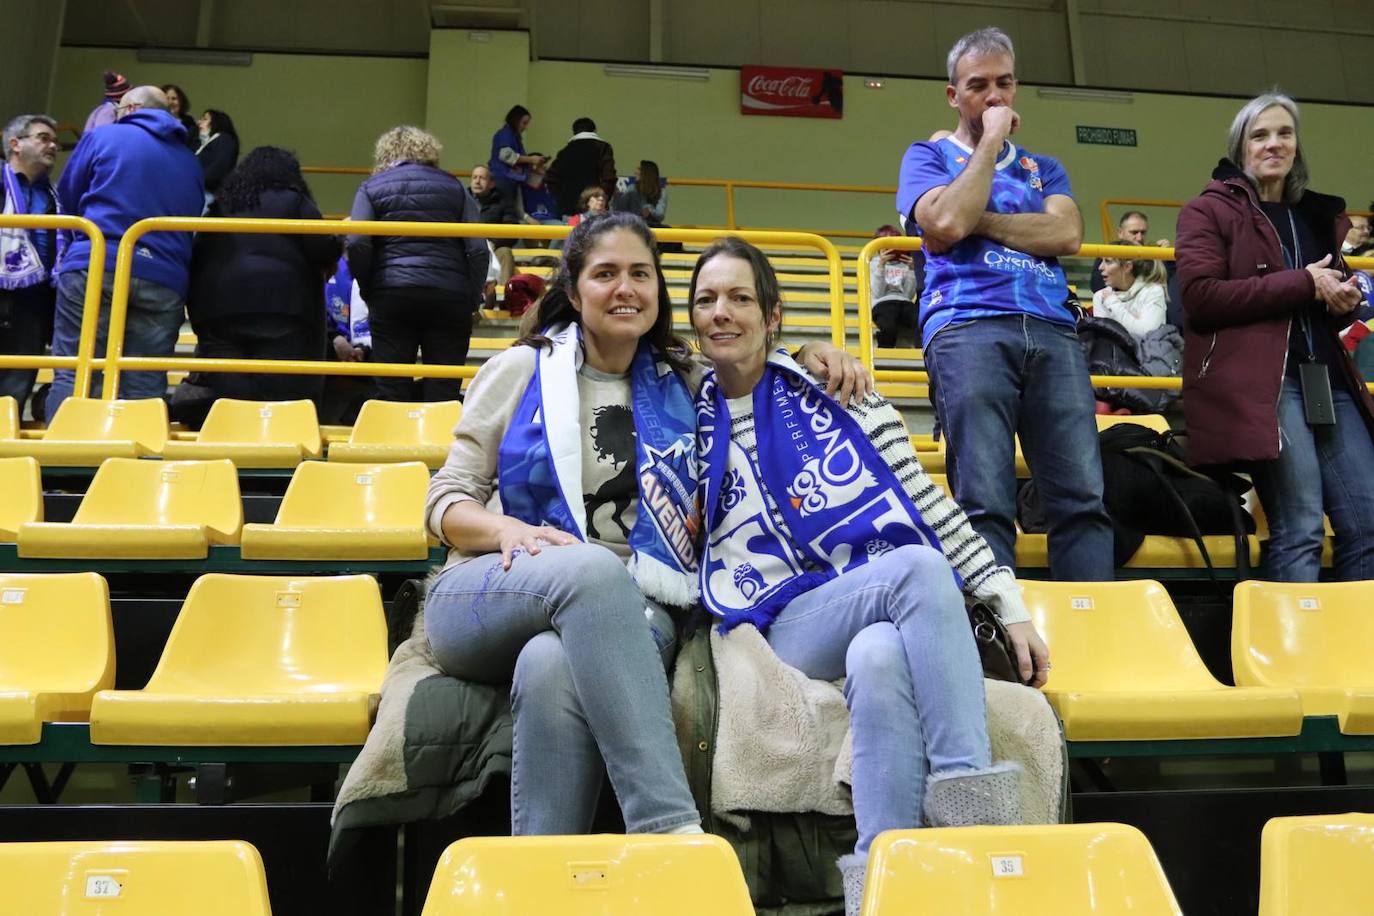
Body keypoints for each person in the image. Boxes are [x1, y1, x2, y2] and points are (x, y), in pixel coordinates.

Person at [422, 211, 864, 842]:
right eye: (605, 274)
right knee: (594, 568)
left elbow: (749, 363)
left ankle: (539, 881)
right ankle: (668, 830)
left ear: (658, 291)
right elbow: (444, 503)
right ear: (574, 293)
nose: (625, 288)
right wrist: (503, 532)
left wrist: (811, 353)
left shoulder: (682, 381)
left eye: (640, 273)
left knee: (550, 665)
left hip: (637, 606)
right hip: (492, 590)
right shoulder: (522, 370)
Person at [689, 237, 1047, 916]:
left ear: (772, 314)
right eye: (706, 300)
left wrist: (1007, 599)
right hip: (781, 619)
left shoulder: (839, 393)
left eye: (739, 297)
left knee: (878, 656)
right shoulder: (684, 412)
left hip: (868, 608)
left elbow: (926, 505)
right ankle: (973, 820)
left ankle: (883, 890)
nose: (721, 313)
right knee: (912, 570)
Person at [897, 26, 1114, 581]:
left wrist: (978, 223)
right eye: (978, 86)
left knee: (1082, 502)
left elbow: (1065, 237)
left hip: (1053, 330)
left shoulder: (1048, 168)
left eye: (1004, 83)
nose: (994, 96)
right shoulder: (927, 155)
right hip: (966, 327)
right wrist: (991, 144)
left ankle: (1089, 642)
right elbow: (943, 221)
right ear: (953, 95)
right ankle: (996, 650)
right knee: (984, 507)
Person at [1176, 92, 1374, 582]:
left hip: (1326, 378)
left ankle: (1356, 652)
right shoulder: (1207, 210)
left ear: (1296, 146)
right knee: (1300, 526)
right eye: (1260, 135)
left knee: (1370, 524)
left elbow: (1322, 297)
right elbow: (1200, 298)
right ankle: (1290, 658)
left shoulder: (1314, 215)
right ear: (1239, 148)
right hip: (1265, 385)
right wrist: (1304, 282)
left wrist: (1343, 299)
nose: (1273, 144)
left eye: (1284, 133)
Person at [51, 86, 204, 414]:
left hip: (98, 260)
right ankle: (137, 461)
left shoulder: (104, 137)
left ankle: (63, 461)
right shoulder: (190, 161)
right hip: (164, 276)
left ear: (132, 108)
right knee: (145, 381)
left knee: (78, 370)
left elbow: (69, 194)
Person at [184, 147, 340, 417]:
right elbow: (322, 248)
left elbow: (199, 250)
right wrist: (339, 241)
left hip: (218, 309)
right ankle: (268, 453)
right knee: (273, 401)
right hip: (282, 309)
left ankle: (231, 451)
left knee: (231, 401)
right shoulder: (294, 200)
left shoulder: (223, 203)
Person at [346, 126, 488, 403]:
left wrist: (369, 288)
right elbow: (478, 249)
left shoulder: (371, 187)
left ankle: (395, 444)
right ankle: (440, 446)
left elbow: (356, 242)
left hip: (391, 292)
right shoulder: (454, 186)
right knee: (444, 390)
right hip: (449, 295)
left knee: (391, 389)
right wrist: (470, 297)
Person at [0, 114, 62, 414]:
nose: (52, 145)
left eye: (54, 141)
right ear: (15, 144)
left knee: (15, 390)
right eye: (43, 138)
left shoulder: (56, 196)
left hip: (34, 303)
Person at [1092, 240, 1169, 338]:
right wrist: (1135, 321)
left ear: (1127, 267)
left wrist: (1112, 303)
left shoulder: (1153, 291)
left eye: (1108, 261)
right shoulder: (1100, 296)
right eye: (1101, 261)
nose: (1100, 267)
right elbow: (1104, 337)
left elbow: (1147, 334)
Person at [546, 117, 616, 221]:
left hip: (567, 208)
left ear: (574, 132)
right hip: (594, 208)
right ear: (594, 130)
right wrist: (603, 199)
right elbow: (609, 176)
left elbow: (550, 177)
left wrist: (561, 197)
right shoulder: (603, 148)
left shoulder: (565, 151)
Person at [470, 163, 530, 284]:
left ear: (491, 184)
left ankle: (503, 297)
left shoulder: (503, 202)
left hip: (493, 249)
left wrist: (493, 242)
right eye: (474, 177)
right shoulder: (463, 200)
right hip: (469, 249)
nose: (477, 181)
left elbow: (512, 230)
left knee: (505, 252)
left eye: (482, 178)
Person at [867, 224, 920, 348]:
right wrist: (881, 266)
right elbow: (878, 292)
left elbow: (908, 294)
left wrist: (912, 270)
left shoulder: (905, 264)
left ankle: (923, 355)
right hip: (882, 303)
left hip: (904, 303)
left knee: (921, 322)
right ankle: (884, 353)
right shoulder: (872, 263)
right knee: (888, 326)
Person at [488, 105, 545, 199]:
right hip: (503, 180)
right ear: (516, 120)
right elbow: (507, 156)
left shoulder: (513, 136)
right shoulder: (505, 134)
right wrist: (531, 159)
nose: (526, 127)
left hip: (510, 180)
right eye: (524, 123)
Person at [195, 109, 239, 205]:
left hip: (208, 195)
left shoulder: (224, 139)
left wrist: (193, 180)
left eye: (205, 119)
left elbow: (218, 169)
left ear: (216, 122)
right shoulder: (206, 143)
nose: (199, 122)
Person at [613, 160, 668, 226]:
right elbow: (619, 210)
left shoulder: (662, 191)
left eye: (639, 169)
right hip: (634, 226)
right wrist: (617, 197)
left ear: (647, 173)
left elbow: (660, 215)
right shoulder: (632, 188)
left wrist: (649, 210)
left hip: (652, 227)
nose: (635, 172)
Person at [160, 84, 199, 151]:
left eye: (174, 98)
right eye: (167, 99)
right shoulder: (155, 121)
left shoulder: (190, 124)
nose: (170, 102)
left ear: (181, 101)